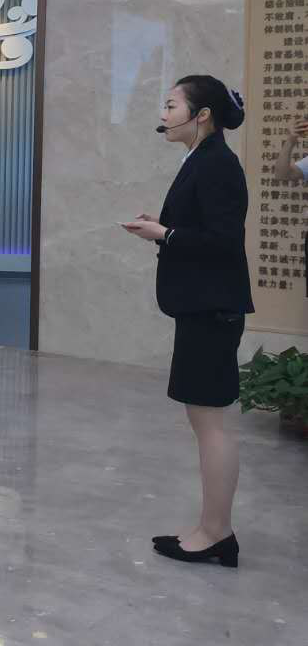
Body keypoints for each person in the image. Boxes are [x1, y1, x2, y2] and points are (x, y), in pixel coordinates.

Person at [122, 75, 252, 569]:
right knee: (205, 422)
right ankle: (211, 527)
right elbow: (202, 229)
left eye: (171, 105)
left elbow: (223, 242)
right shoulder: (203, 158)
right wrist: (163, 229)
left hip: (212, 309)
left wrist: (165, 234)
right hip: (203, 308)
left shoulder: (217, 163)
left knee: (213, 425)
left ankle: (217, 533)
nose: (163, 114)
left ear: (202, 115)